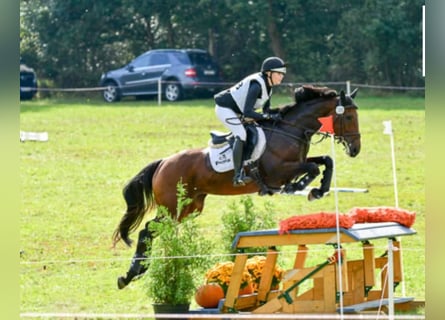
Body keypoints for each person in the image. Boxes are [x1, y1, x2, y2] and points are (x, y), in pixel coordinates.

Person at [214, 56, 286, 186]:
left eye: (282, 74)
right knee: (241, 134)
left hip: (238, 111)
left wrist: (281, 113)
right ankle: (237, 175)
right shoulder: (256, 85)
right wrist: (268, 117)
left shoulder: (268, 87)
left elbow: (266, 110)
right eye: (279, 73)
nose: (282, 77)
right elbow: (248, 112)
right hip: (225, 109)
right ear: (268, 73)